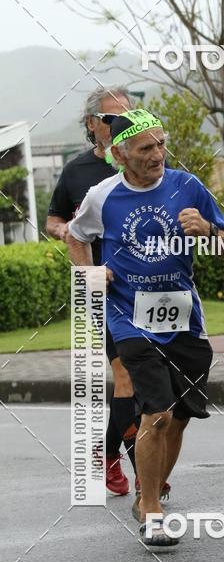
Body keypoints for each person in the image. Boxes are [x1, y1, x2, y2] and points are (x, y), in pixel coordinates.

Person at [66, 109, 224, 548]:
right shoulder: (103, 195)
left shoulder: (187, 185)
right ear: (120, 153)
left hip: (184, 320)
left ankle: (149, 493)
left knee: (178, 418)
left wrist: (210, 230)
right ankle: (153, 512)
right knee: (155, 413)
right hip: (129, 318)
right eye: (146, 148)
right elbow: (74, 235)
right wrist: (90, 274)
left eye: (161, 144)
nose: (158, 154)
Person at [47, 85, 142, 497]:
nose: (121, 123)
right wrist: (66, 230)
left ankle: (104, 456)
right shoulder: (76, 172)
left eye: (128, 115)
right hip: (100, 287)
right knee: (125, 374)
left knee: (150, 379)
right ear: (92, 125)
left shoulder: (144, 162)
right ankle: (148, 474)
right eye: (111, 117)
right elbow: (53, 221)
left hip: (147, 284)